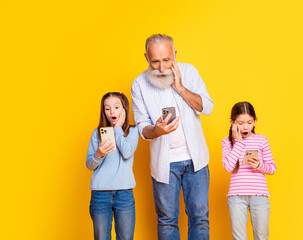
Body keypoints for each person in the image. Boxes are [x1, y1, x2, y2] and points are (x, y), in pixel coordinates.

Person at [131, 34, 213, 240]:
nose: (161, 68)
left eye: (167, 60)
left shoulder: (189, 71)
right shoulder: (139, 84)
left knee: (200, 218)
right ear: (146, 58)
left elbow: (207, 107)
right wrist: (156, 131)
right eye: (155, 62)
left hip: (197, 161)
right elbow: (142, 127)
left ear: (174, 55)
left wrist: (180, 87)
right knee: (167, 220)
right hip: (164, 163)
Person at [86, 92, 139, 240]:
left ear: (124, 109)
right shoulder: (97, 133)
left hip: (124, 194)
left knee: (126, 238)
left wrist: (117, 128)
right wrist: (98, 154)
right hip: (100, 194)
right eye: (107, 108)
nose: (112, 112)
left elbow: (127, 152)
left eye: (116, 107)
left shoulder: (133, 131)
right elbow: (90, 165)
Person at [222, 102, 276, 240]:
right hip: (237, 196)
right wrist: (239, 143)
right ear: (232, 123)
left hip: (259, 195)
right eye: (240, 123)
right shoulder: (227, 141)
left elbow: (272, 168)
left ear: (255, 121)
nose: (245, 127)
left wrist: (260, 165)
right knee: (239, 237)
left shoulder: (262, 140)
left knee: (261, 236)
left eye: (249, 122)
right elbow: (228, 167)